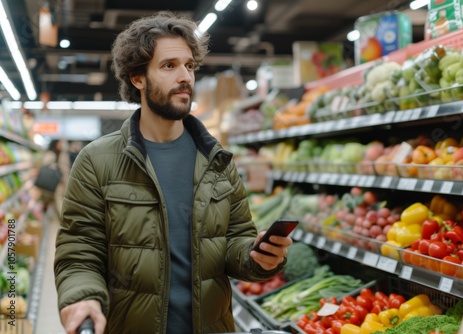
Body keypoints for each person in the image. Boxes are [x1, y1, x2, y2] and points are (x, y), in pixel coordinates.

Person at [54, 11, 292, 334]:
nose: (186, 78)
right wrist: (83, 298)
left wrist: (258, 257)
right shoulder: (96, 162)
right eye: (169, 66)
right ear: (138, 78)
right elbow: (80, 253)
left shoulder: (217, 161)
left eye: (189, 66)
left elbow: (236, 242)